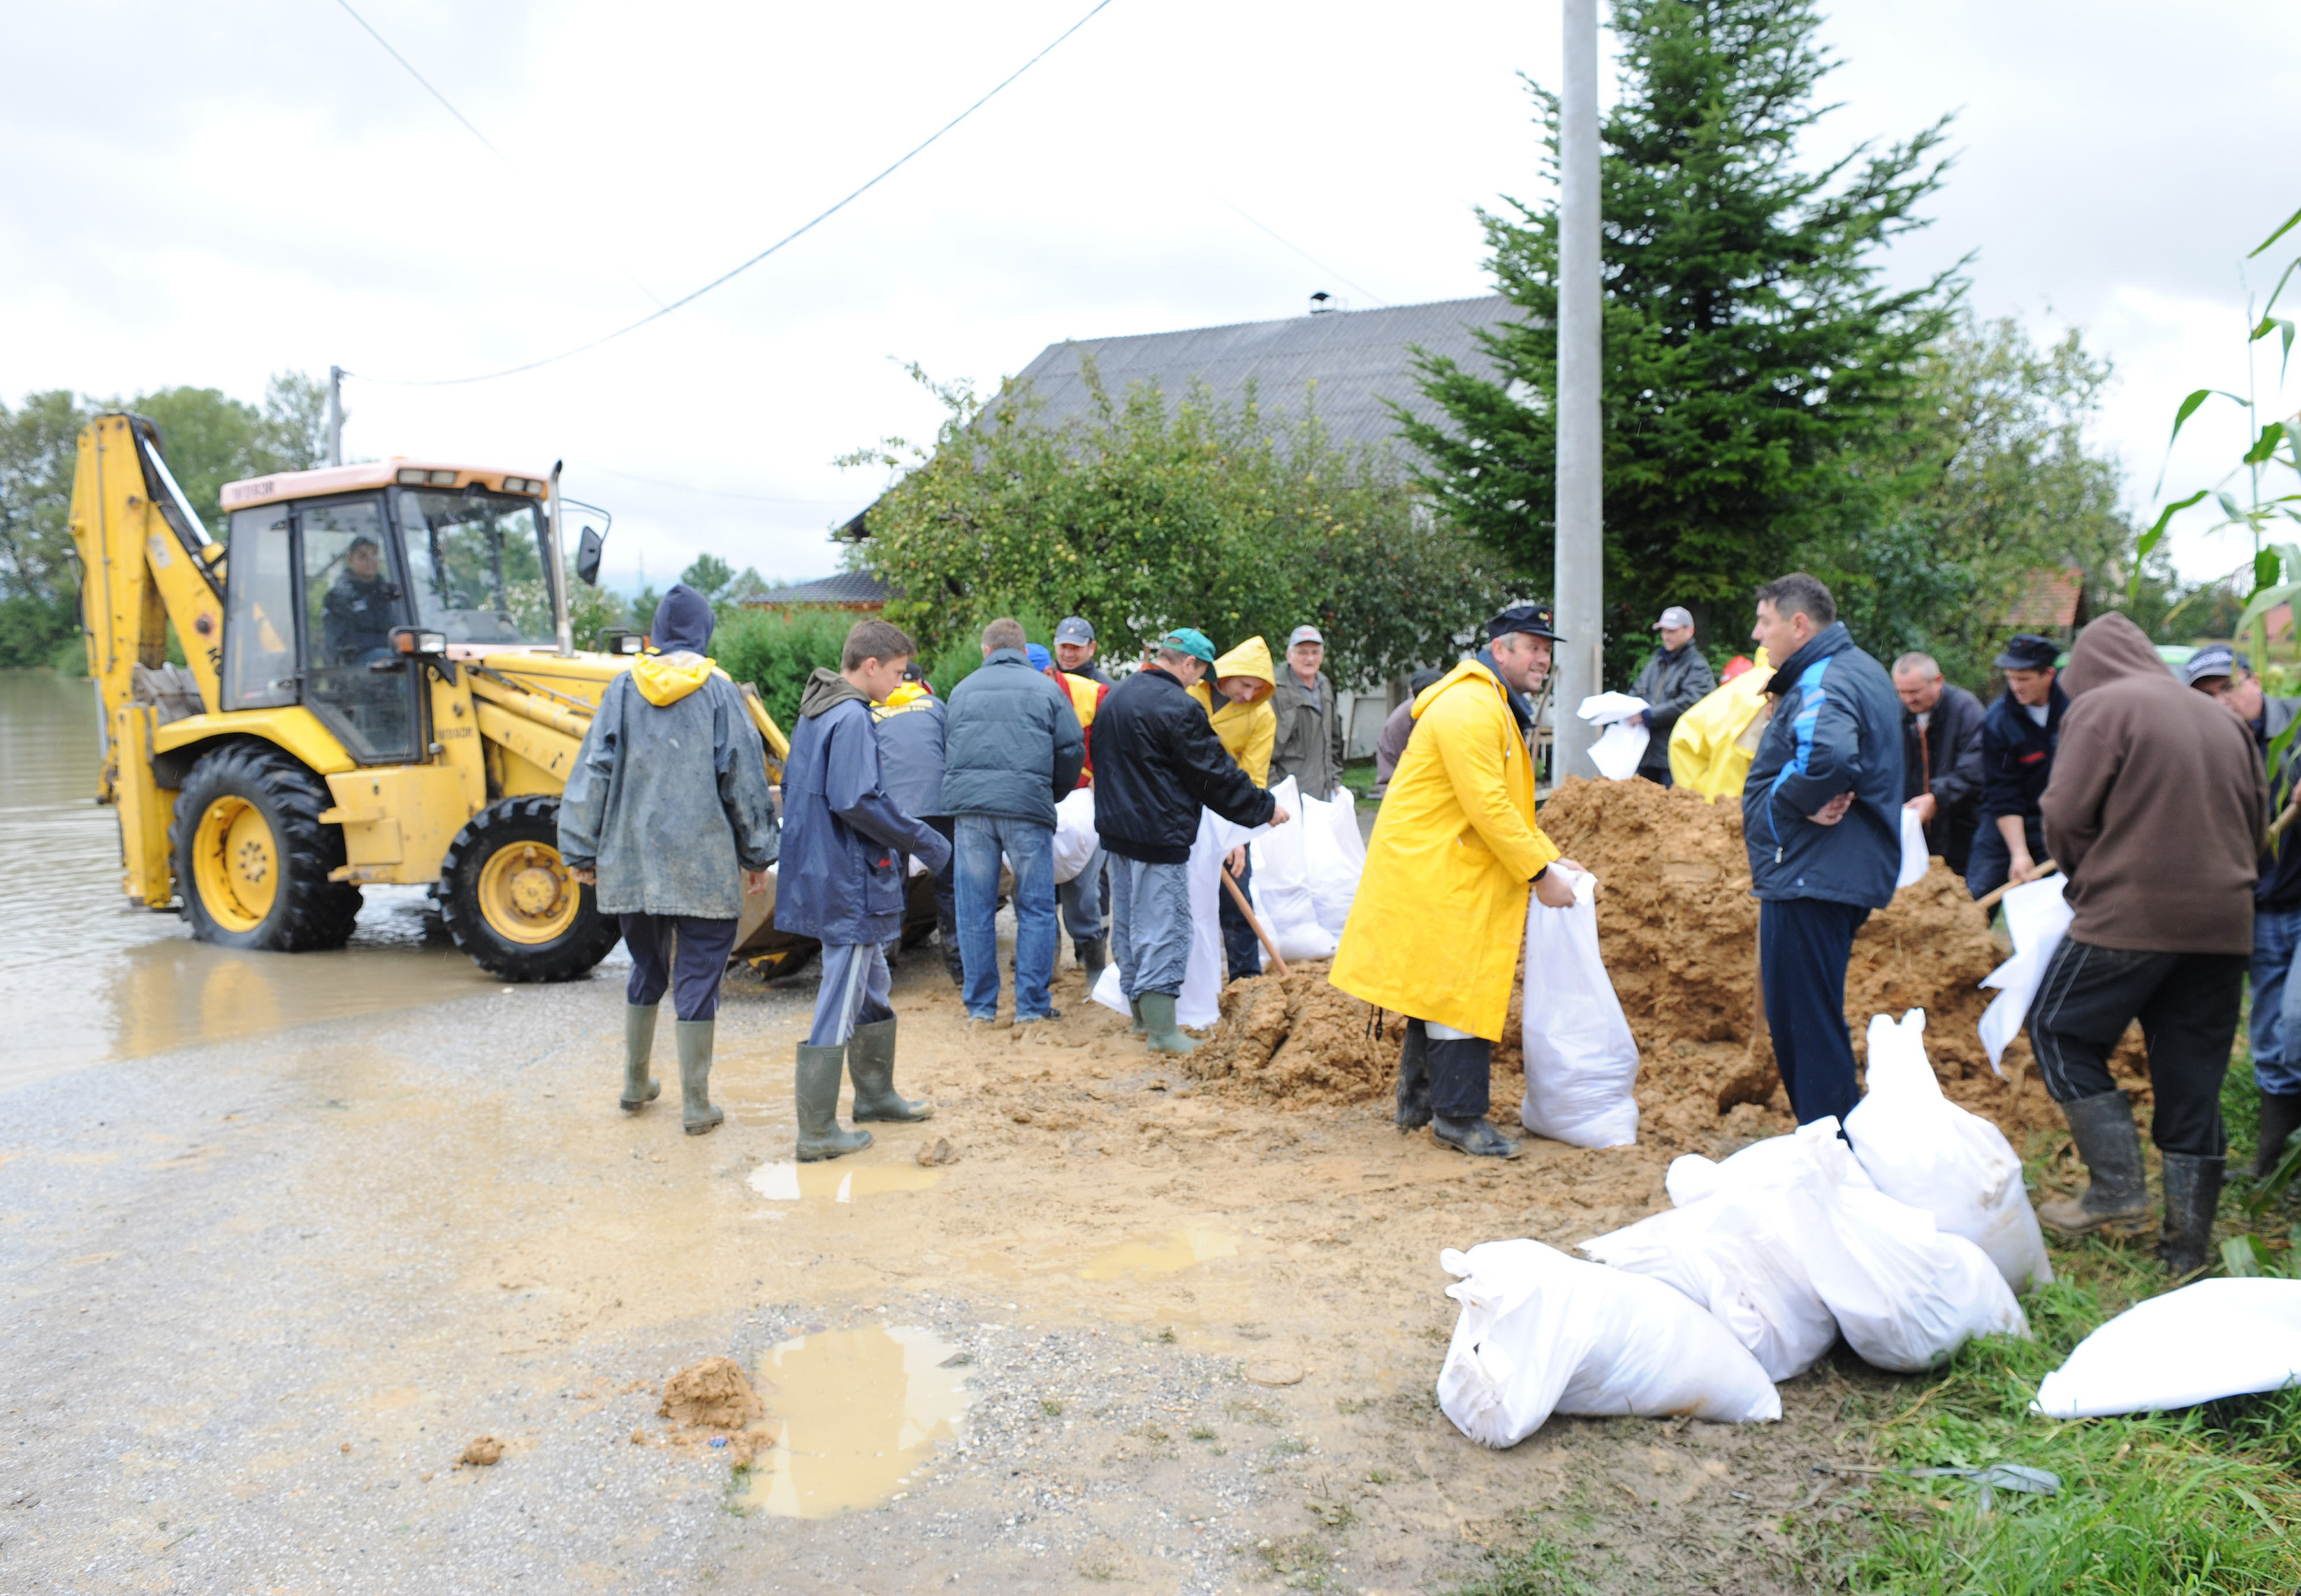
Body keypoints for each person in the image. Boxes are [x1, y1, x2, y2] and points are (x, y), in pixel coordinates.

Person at [2027, 615, 2264, 1275]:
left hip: (2129, 915)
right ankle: (2185, 1247)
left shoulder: (2102, 707)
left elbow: (2063, 815)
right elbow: (2253, 821)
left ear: (2088, 671)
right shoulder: (2218, 716)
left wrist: (2086, 874)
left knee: (2055, 1030)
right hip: (2223, 925)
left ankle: (2116, 1191)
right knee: (2189, 1078)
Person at [1333, 605, 1580, 1157]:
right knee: (1458, 994)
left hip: (1442, 866)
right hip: (1439, 871)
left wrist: (1552, 857)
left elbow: (1504, 805)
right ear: (1500, 651)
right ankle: (1458, 1118)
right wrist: (1540, 873)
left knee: (1437, 990)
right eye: (1533, 647)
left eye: (1547, 648)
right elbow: (1489, 804)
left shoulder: (1485, 702)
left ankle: (1419, 1104)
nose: (1543, 658)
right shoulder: (1471, 707)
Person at [558, 584, 779, 1135]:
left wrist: (581, 850)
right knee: (699, 977)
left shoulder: (622, 689)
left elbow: (593, 771)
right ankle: (696, 1105)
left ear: (654, 636)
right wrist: (757, 854)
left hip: (633, 862)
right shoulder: (721, 693)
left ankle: (635, 1084)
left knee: (647, 966)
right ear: (705, 634)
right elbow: (743, 779)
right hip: (704, 864)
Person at [775, 619, 954, 1161]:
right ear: (870, 666)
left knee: (872, 978)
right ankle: (817, 1130)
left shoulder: (819, 709)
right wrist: (925, 839)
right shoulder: (851, 717)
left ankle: (875, 1095)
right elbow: (858, 799)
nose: (901, 684)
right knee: (842, 990)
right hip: (848, 878)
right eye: (898, 673)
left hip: (828, 868)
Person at [1740, 573, 1904, 1128]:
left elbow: (1828, 756)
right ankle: (1833, 1142)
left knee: (1803, 1024)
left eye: (1766, 621)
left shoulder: (1822, 679)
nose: (1759, 634)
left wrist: (1790, 800)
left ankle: (1832, 1154)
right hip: (1829, 869)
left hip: (1812, 869)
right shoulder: (1861, 669)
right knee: (1811, 1017)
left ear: (1799, 624)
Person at [1092, 628, 1287, 1053]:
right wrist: (1263, 809)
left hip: (1116, 832)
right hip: (1160, 834)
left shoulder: (1116, 697)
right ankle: (1163, 1032)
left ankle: (1142, 1021)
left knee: (1128, 926)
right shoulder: (1178, 707)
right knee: (1166, 927)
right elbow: (1212, 774)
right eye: (1199, 671)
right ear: (1189, 664)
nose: (1197, 681)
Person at [2187, 644, 2301, 1179]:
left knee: (2298, 1023)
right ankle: (2272, 1163)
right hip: (2262, 906)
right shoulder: (2209, 749)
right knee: (2272, 1037)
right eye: (2209, 697)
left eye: (2229, 687)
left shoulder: (2296, 726)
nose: (2223, 703)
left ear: (2254, 681)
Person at [941, 618, 1085, 1025]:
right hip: (1026, 808)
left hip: (970, 812)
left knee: (974, 910)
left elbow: (948, 746)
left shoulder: (962, 690)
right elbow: (1072, 748)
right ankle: (1032, 1007)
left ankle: (981, 1008)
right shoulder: (1047, 689)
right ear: (1025, 652)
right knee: (1036, 908)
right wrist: (1052, 792)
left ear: (987, 650)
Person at [1186, 636, 1279, 981]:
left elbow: (1253, 777)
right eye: (1245, 685)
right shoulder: (1190, 692)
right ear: (1226, 674)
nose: (1249, 695)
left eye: (1257, 689)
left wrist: (1238, 835)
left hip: (1229, 809)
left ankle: (1246, 978)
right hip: (1183, 805)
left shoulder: (1262, 715)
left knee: (1236, 892)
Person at [871, 665, 961, 985]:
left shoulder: (872, 711)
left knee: (892, 885)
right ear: (923, 683)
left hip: (892, 809)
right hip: (939, 803)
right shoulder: (936, 706)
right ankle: (959, 966)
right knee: (950, 885)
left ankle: (884, 965)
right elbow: (954, 754)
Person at [1969, 634, 2067, 901]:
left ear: (2048, 674)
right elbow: (2003, 790)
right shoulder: (1998, 721)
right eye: (2010, 678)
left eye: (2023, 679)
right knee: (1978, 893)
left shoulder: (2074, 708)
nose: (2015, 687)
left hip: (2058, 820)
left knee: (2059, 902)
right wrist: (2019, 852)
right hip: (2006, 819)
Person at [1041, 651, 1112, 977]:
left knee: (1083, 892)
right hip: (1035, 802)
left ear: (1050, 673)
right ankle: (1046, 964)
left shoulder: (1091, 695)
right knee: (1031, 892)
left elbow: (1108, 745)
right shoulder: (1011, 701)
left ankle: (1093, 963)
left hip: (1082, 802)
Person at [1893, 651, 1987, 876]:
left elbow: (1976, 766)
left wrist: (1938, 797)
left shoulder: (1966, 710)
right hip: (1913, 827)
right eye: (1901, 692)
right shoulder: (1896, 714)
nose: (1908, 699)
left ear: (1938, 681)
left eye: (1914, 691)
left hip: (1961, 825)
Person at [1626, 605, 1718, 787]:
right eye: (1664, 631)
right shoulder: (1655, 663)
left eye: (1672, 631)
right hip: (1646, 756)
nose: (1666, 636)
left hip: (1676, 759)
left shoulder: (1697, 666)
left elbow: (1691, 703)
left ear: (1689, 631)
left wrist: (1648, 716)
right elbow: (1636, 691)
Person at [1269, 624, 1346, 798]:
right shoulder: (1274, 689)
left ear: (1322, 656)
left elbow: (1334, 742)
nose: (1309, 659)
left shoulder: (1325, 685)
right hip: (1286, 792)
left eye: (1315, 652)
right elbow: (1263, 748)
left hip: (1323, 792)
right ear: (1290, 656)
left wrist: (1335, 781)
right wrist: (1275, 790)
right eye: (1302, 652)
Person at [322, 535, 399, 663]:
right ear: (351, 559)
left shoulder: (388, 592)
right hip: (354, 663)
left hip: (389, 653)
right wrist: (390, 641)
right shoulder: (339, 597)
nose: (370, 560)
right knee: (400, 661)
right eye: (363, 556)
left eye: (374, 554)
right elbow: (343, 641)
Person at [1371, 669, 1446, 799]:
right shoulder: (1397, 724)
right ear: (1413, 694)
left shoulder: (1453, 714)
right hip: (1409, 797)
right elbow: (1388, 777)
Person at [1053, 615, 1114, 686]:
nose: (1068, 654)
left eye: (1076, 647)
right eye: (1063, 646)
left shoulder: (1105, 689)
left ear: (1092, 648)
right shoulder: (1044, 681)